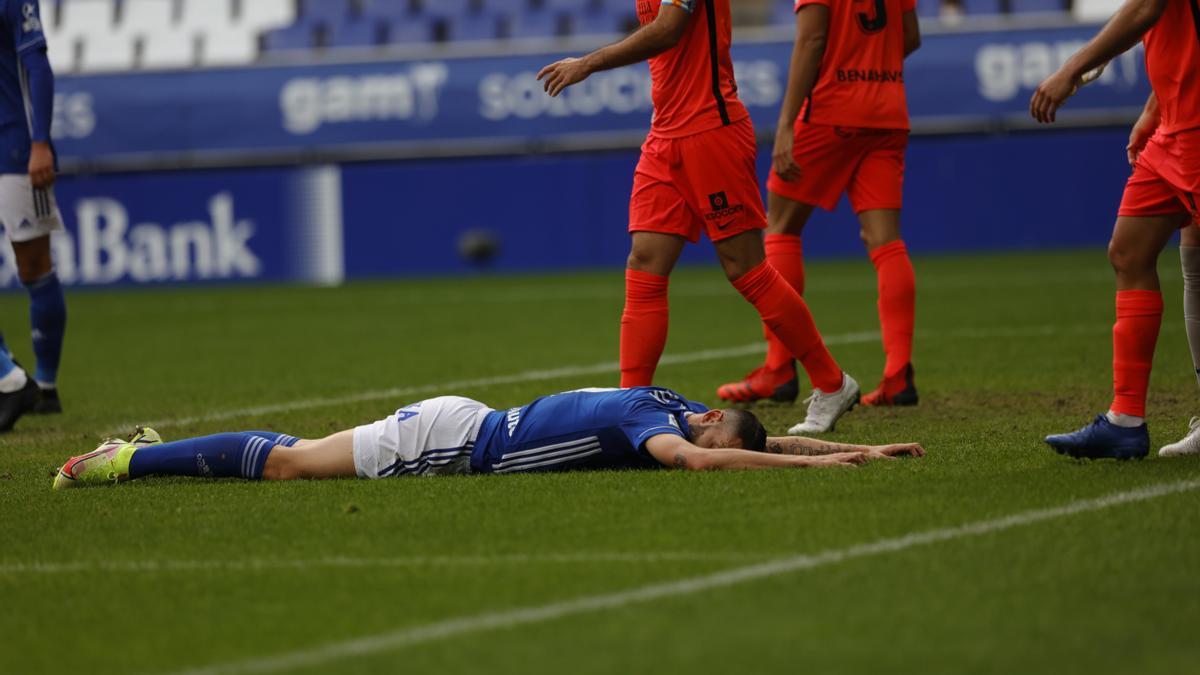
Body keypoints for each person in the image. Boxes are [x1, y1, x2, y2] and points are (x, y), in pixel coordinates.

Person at [536, 0, 859, 435]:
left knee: (745, 269)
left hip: (712, 131)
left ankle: (832, 383)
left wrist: (588, 64)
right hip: (664, 136)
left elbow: (669, 30)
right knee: (645, 262)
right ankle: (629, 410)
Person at [52, 386, 925, 489]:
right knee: (287, 464)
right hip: (450, 438)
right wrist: (836, 459)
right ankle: (129, 459)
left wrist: (857, 450)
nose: (701, 427)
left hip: (467, 424)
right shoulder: (655, 424)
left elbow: (754, 441)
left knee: (296, 454)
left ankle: (150, 447)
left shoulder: (671, 401)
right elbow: (704, 458)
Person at [717, 0, 922, 408]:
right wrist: (870, 71)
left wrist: (787, 123)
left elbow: (811, 39)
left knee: (780, 227)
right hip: (887, 110)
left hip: (830, 108)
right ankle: (898, 375)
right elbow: (911, 37)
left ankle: (777, 368)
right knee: (886, 241)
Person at [1033, 0, 1199, 458]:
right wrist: (1156, 107)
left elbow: (1147, 7)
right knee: (1129, 252)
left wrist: (1071, 69)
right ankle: (1125, 421)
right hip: (1177, 126)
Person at [0, 0, 67, 419]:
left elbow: (37, 65)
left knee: (34, 267)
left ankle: (44, 384)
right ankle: (8, 375)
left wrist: (40, 142)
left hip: (16, 147)